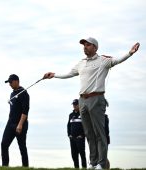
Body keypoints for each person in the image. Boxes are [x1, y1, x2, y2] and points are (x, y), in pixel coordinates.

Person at [43, 37, 140, 169]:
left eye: (88, 45)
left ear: (95, 47)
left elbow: (117, 60)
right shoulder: (81, 63)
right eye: (84, 45)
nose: (85, 47)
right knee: (89, 133)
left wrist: (130, 53)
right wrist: (54, 75)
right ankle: (93, 162)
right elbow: (69, 73)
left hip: (97, 99)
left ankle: (102, 163)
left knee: (99, 132)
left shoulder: (103, 61)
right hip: (82, 100)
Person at [1, 74, 30, 167]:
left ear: (16, 81)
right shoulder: (12, 93)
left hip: (20, 124)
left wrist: (20, 124)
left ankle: (25, 167)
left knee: (22, 147)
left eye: (10, 82)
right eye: (8, 82)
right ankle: (5, 166)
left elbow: (25, 111)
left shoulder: (24, 93)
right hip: (10, 123)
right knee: (4, 144)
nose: (9, 84)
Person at [67, 99, 87, 168]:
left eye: (76, 104)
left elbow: (86, 126)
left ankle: (84, 168)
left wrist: (82, 135)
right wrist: (69, 135)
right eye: (73, 104)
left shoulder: (83, 114)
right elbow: (68, 126)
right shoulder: (71, 115)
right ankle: (76, 168)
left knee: (82, 154)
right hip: (72, 138)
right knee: (74, 155)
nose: (74, 106)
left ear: (79, 104)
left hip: (80, 138)